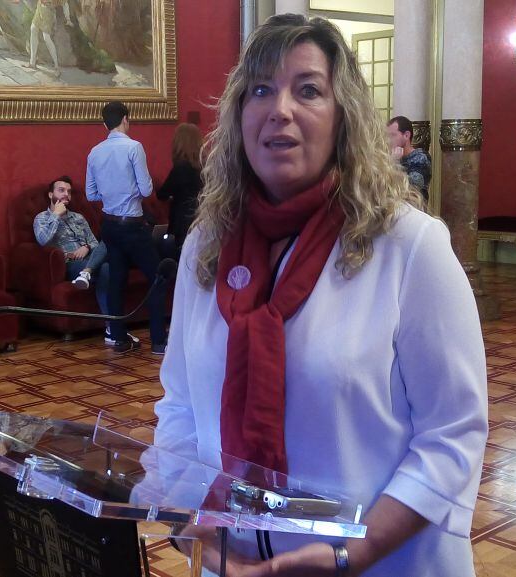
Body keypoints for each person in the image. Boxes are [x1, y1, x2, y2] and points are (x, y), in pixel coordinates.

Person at [154, 14, 487, 577]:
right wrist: (190, 520)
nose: (279, 107)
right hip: (232, 563)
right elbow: (181, 407)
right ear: (239, 117)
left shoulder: (409, 247)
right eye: (260, 89)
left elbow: (452, 436)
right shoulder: (205, 249)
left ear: (344, 118)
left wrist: (348, 555)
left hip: (382, 563)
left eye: (307, 89)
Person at [86, 101, 167, 355]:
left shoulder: (94, 152)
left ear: (104, 124)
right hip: (133, 225)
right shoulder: (134, 147)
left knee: (116, 280)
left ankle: (119, 338)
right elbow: (146, 190)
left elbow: (91, 194)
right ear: (125, 119)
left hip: (109, 225)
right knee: (157, 278)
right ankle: (158, 341)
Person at [33, 176, 137, 346]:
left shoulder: (78, 218)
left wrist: (86, 247)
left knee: (109, 239)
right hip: (70, 264)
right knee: (105, 269)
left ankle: (87, 273)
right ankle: (112, 328)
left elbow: (96, 244)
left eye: (69, 191)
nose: (66, 194)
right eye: (61, 190)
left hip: (90, 258)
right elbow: (42, 240)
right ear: (50, 194)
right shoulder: (42, 218)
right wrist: (56, 216)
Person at [157, 122, 203, 258]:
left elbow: (162, 194)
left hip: (182, 224)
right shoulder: (205, 166)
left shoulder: (181, 167)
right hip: (202, 220)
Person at [386, 115, 431, 203]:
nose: (389, 140)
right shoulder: (391, 156)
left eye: (392, 135)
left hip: (414, 210)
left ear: (406, 135)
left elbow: (412, 187)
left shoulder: (421, 157)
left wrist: (394, 163)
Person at [28, 0, 73, 77]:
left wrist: (68, 18)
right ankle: (32, 62)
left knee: (46, 38)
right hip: (40, 8)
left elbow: (65, 3)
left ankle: (56, 66)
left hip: (48, 12)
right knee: (33, 29)